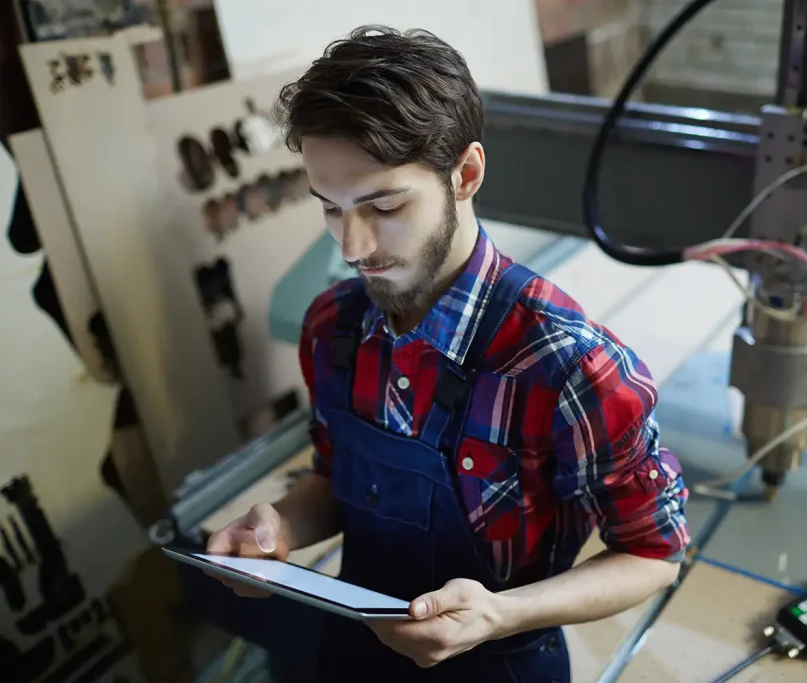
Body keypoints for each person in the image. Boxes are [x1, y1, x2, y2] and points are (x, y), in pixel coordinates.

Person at [206, 25, 690, 683]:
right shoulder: (332, 328)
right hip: (355, 659)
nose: (352, 246)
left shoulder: (569, 365)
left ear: (464, 174)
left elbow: (655, 555)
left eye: (383, 205)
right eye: (330, 208)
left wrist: (498, 613)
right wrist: (278, 528)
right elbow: (333, 482)